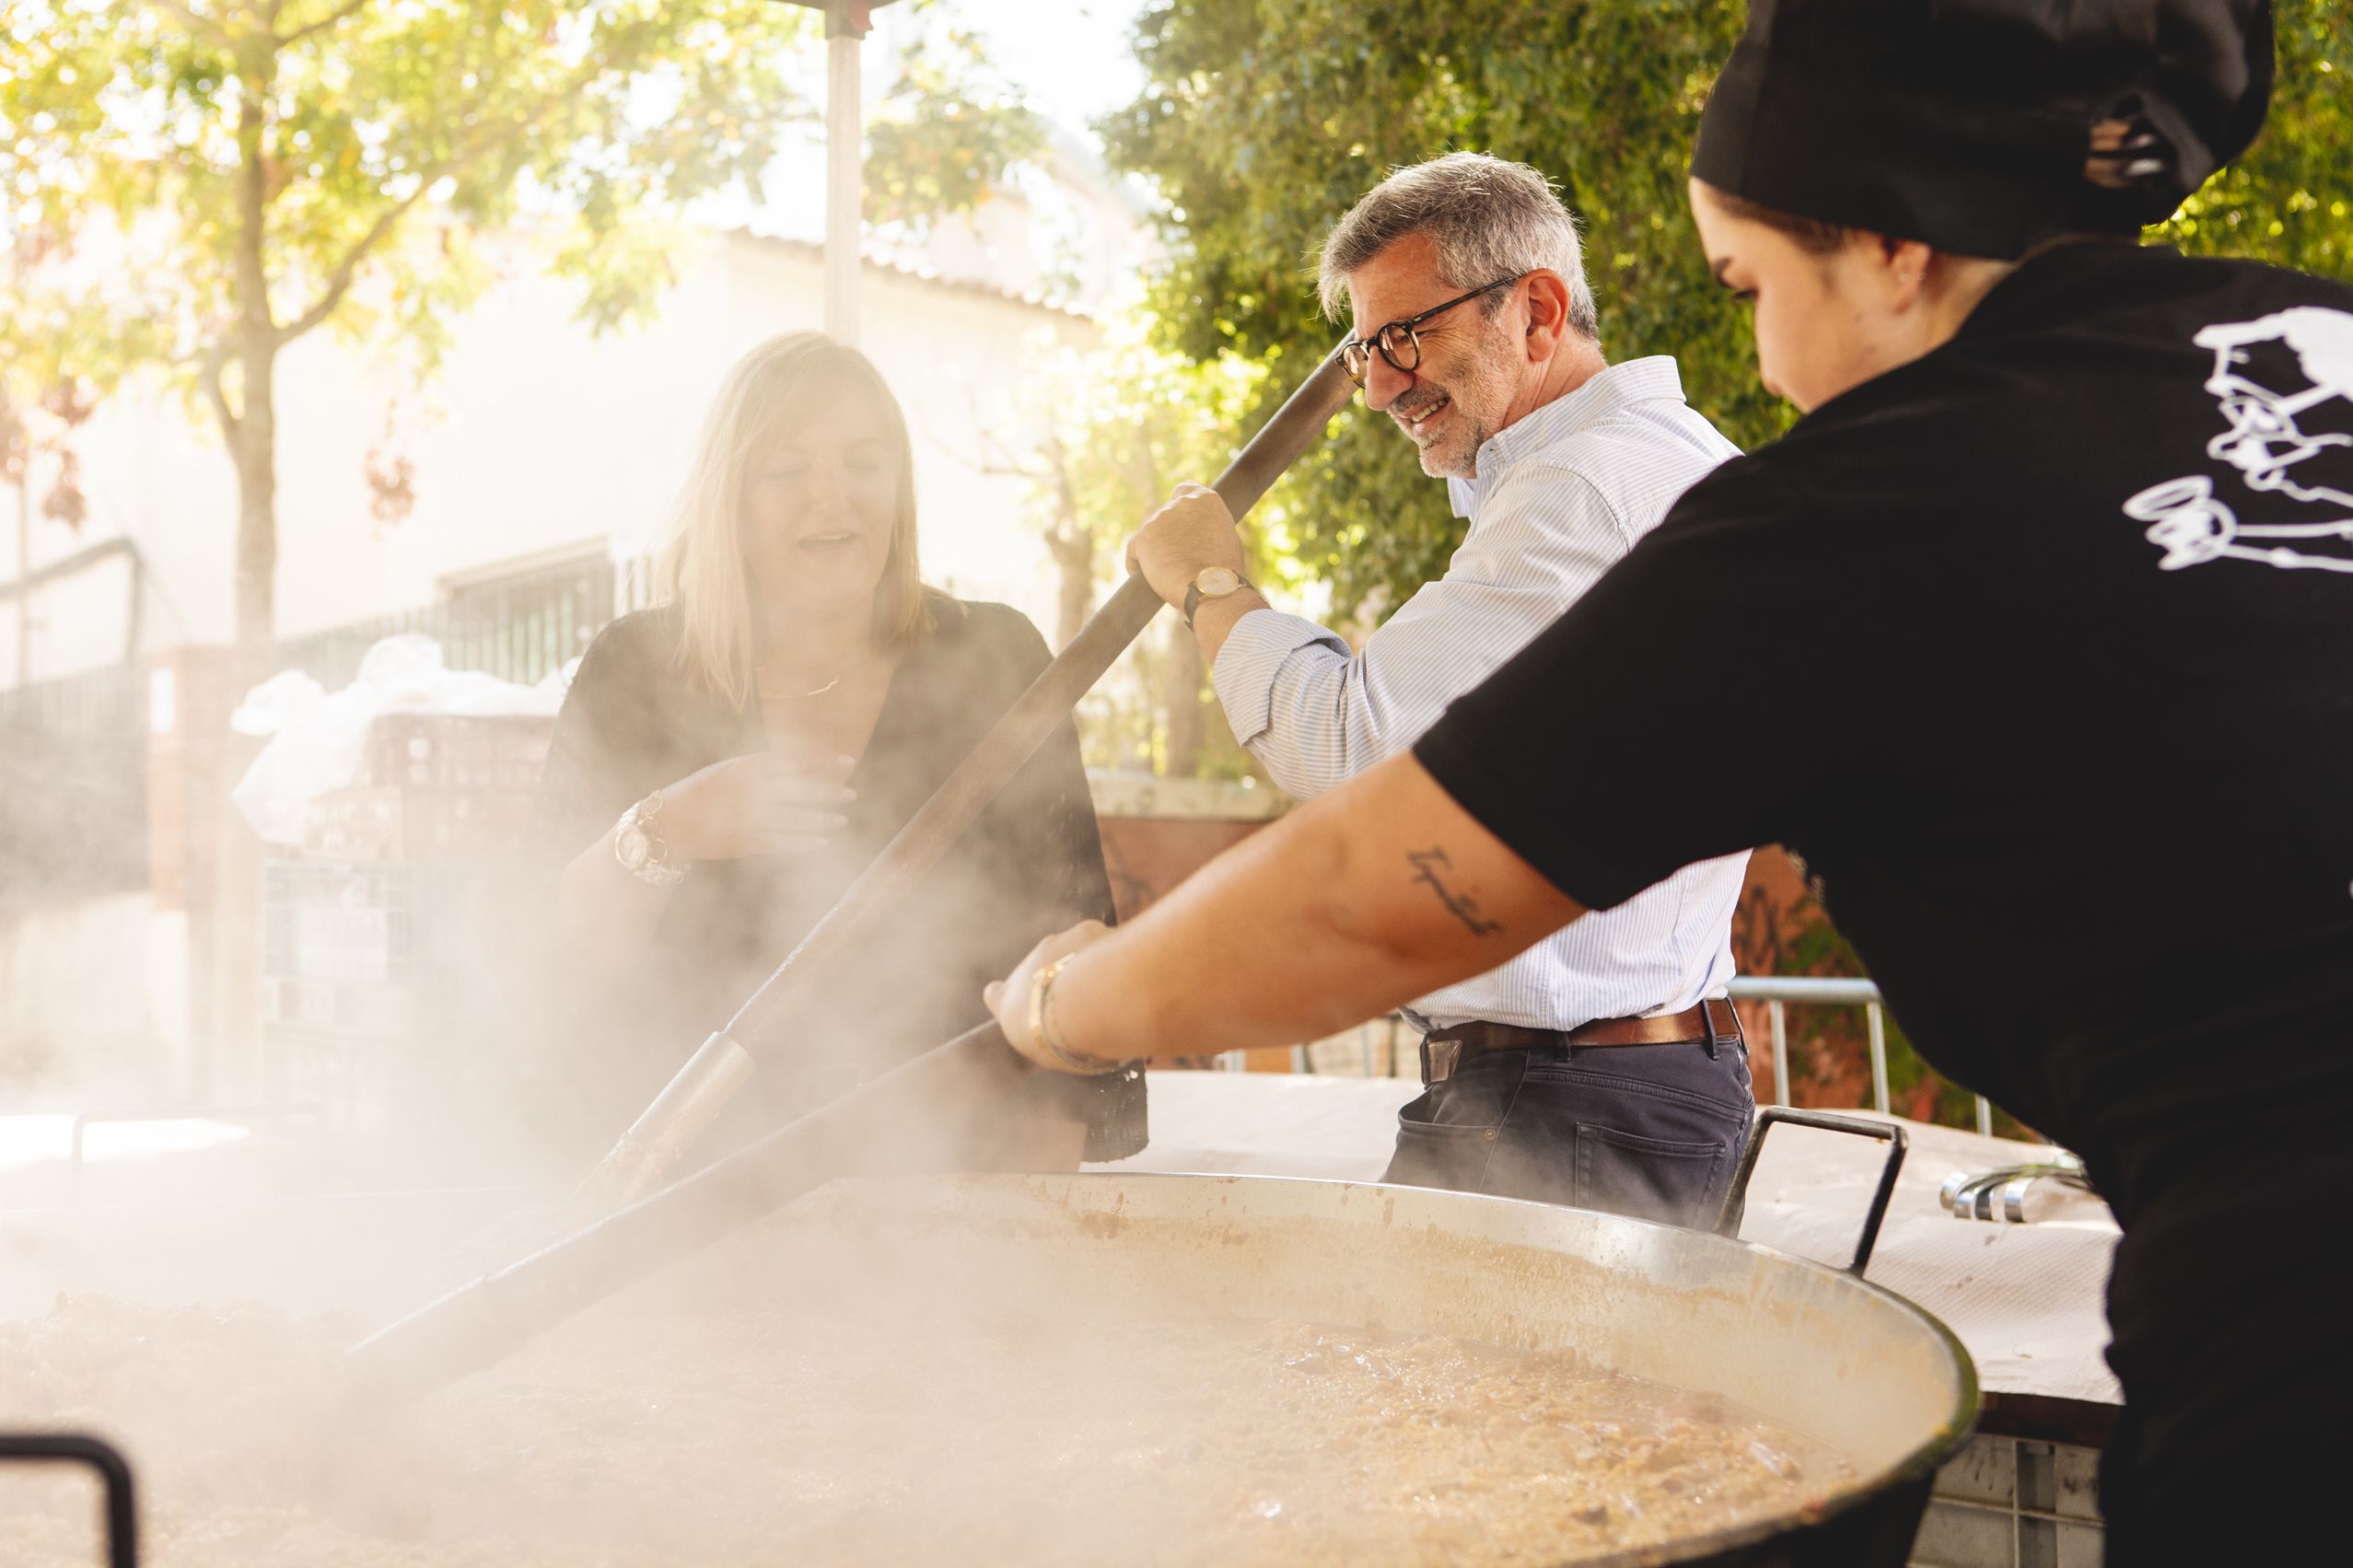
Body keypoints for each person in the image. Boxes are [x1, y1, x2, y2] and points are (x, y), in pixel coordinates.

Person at [984, 1, 2347, 1555]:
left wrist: (1066, 1006)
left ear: (1897, 245)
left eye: (1750, 282)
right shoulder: (2312, 337)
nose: (1759, 355)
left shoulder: (1857, 500)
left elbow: (1385, 885)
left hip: (2299, 1329)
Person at [1124, 152, 1752, 1226]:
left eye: (1404, 336)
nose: (1375, 387)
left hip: (1564, 1106)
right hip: (1595, 1095)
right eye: (1365, 348)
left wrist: (1208, 582)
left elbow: (1351, 748)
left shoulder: (1580, 491)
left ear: (1537, 312)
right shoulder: (1660, 461)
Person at [530, 331, 1142, 1164]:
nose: (834, 499)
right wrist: (673, 824)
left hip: (946, 1175)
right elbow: (551, 958)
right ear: (730, 498)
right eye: (786, 471)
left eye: (864, 462)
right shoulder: (637, 668)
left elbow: (1064, 958)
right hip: (685, 1183)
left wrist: (1033, 1235)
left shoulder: (992, 657)